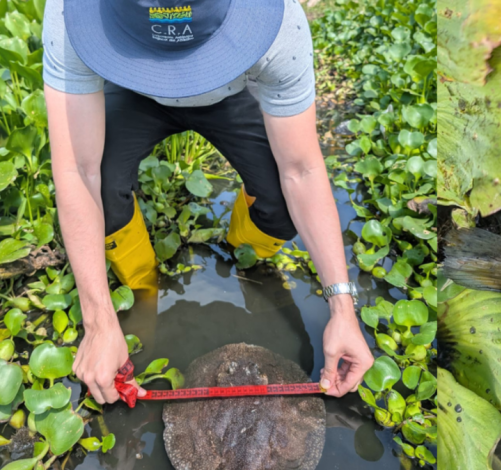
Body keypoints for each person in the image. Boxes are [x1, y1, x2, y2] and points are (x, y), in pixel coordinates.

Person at [42, 0, 374, 404]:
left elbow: (301, 170)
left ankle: (241, 251)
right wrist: (97, 322)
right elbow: (78, 169)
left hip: (230, 92)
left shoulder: (281, 26)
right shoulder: (68, 16)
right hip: (128, 89)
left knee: (281, 202)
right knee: (104, 189)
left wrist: (343, 308)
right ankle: (142, 286)